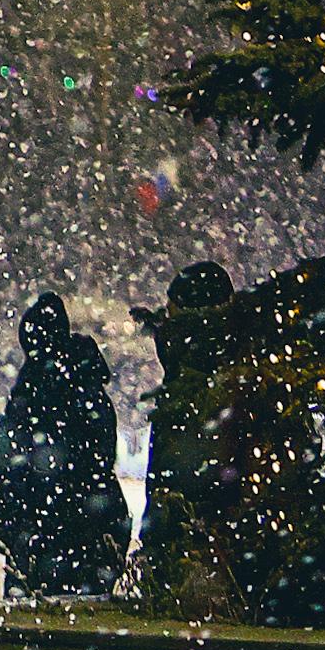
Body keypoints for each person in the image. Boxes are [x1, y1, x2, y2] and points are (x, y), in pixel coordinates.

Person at [0, 293, 132, 598]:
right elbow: (100, 456)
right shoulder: (85, 385)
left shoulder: (32, 389)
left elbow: (10, 459)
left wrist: (3, 511)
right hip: (83, 523)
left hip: (44, 525)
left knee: (35, 617)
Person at [128, 261, 239, 613]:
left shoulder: (191, 388)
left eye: (172, 305)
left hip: (196, 565)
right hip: (224, 560)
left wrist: (161, 548)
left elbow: (175, 483)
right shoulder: (236, 370)